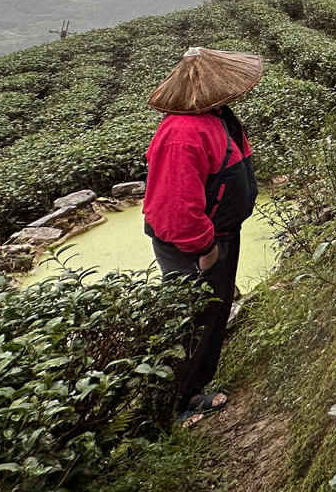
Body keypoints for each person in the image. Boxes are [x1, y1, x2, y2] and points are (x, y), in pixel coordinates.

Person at [143, 46, 263, 427]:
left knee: (212, 315)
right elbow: (173, 211)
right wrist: (206, 249)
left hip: (222, 234)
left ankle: (193, 389)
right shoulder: (181, 133)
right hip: (195, 246)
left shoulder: (218, 116)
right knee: (190, 322)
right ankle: (171, 408)